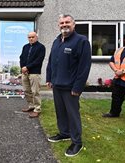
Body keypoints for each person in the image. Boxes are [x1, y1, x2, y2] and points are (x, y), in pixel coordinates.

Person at [46, 14, 91, 157]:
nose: (64, 25)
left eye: (67, 22)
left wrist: (78, 87)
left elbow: (84, 67)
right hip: (57, 85)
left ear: (74, 24)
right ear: (58, 25)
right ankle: (64, 133)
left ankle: (77, 141)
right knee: (60, 112)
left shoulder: (81, 41)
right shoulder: (57, 41)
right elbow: (51, 60)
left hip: (71, 87)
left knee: (73, 114)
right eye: (61, 23)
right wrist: (49, 78)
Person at [19, 32, 46, 118]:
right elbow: (21, 57)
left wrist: (27, 67)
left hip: (35, 72)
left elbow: (39, 60)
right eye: (29, 37)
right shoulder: (25, 47)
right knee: (26, 90)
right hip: (25, 72)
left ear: (36, 37)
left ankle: (37, 109)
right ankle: (31, 106)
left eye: (33, 37)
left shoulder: (41, 47)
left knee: (35, 92)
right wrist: (23, 67)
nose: (31, 39)